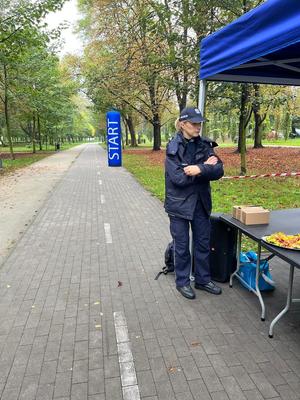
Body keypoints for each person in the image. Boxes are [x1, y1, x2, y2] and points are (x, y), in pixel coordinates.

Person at [164, 107, 224, 299]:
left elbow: (219, 171)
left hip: (201, 203)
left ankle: (203, 279)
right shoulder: (173, 147)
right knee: (182, 245)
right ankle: (182, 282)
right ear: (183, 124)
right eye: (194, 123)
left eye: (200, 123)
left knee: (203, 243)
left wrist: (198, 169)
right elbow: (178, 179)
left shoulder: (205, 145)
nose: (198, 127)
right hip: (179, 204)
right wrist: (207, 168)